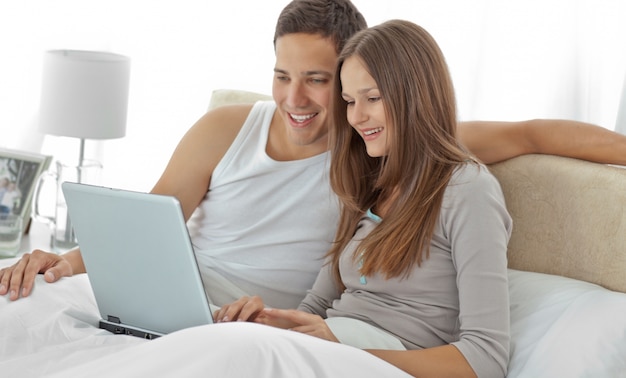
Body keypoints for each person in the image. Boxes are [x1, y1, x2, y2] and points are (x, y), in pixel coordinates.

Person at [1, 0, 626, 305]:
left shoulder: (381, 136)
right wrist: (59, 262)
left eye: (319, 80)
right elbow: (146, 226)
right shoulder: (224, 127)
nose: (293, 99)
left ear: (353, 72)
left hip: (245, 322)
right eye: (281, 75)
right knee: (22, 313)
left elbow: (535, 135)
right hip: (159, 297)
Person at [215, 19, 512, 377]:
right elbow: (317, 306)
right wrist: (268, 320)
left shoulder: (467, 190)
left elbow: (486, 358)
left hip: (378, 360)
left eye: (372, 98)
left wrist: (350, 352)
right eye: (349, 101)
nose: (356, 117)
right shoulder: (367, 182)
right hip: (331, 351)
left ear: (416, 96)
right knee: (225, 348)